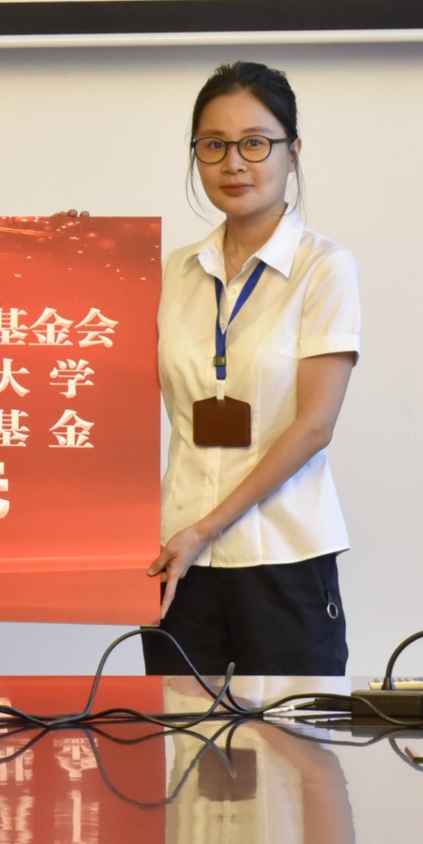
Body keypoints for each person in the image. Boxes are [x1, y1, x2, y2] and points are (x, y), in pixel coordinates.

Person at [143, 61, 360, 677]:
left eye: (255, 143)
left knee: (295, 733)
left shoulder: (325, 268)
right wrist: (70, 256)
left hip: (284, 553)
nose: (233, 163)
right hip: (180, 559)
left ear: (293, 152)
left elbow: (314, 427)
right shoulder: (174, 272)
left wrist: (204, 528)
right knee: (181, 733)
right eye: (213, 145)